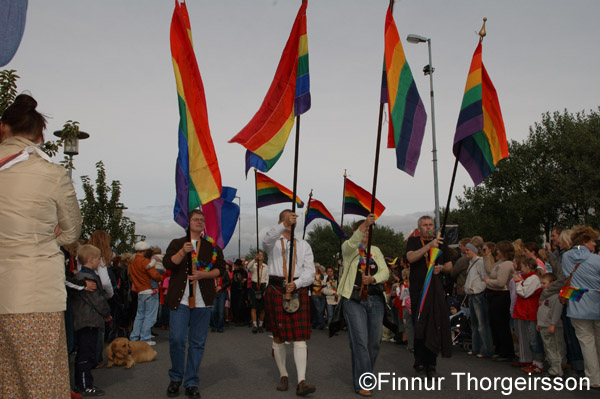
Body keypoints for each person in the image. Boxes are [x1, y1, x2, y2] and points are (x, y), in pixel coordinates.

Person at [0, 94, 82, 398]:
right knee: (42, 386)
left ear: (3, 128)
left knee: (8, 386)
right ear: (41, 136)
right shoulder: (53, 174)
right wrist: (51, 236)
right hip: (34, 297)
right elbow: (72, 232)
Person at [163, 210, 226, 398]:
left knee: (197, 343)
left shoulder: (212, 247)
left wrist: (203, 275)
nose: (199, 222)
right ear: (188, 222)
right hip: (180, 300)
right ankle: (175, 378)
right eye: (195, 219)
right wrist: (183, 251)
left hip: (203, 301)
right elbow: (169, 264)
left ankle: (191, 382)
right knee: (177, 339)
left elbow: (220, 270)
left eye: (201, 220)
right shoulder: (177, 243)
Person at [263, 210, 316, 396]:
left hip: (297, 288)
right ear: (281, 221)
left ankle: (302, 381)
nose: (292, 221)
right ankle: (283, 375)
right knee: (278, 335)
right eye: (288, 219)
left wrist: (298, 283)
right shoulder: (273, 243)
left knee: (299, 336)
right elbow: (267, 239)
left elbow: (310, 272)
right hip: (276, 289)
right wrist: (284, 224)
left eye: (294, 219)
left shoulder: (304, 245)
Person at [338, 215, 389, 397]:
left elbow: (385, 271)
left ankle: (364, 373)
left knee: (373, 342)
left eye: (368, 230)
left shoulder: (375, 250)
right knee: (360, 341)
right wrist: (366, 223)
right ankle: (364, 382)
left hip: (375, 299)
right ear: (355, 232)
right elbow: (352, 244)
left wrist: (374, 278)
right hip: (354, 299)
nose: (366, 233)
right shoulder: (349, 249)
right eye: (363, 230)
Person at [405, 216, 452, 379]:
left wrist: (440, 267)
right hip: (419, 289)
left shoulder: (441, 243)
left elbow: (449, 266)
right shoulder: (414, 242)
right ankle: (419, 363)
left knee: (434, 325)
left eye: (431, 224)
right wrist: (429, 247)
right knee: (420, 326)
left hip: (435, 289)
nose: (428, 227)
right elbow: (410, 258)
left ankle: (431, 364)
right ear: (420, 228)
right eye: (425, 225)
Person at [561, 226, 600, 389]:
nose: (594, 245)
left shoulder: (566, 257)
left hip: (577, 303)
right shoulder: (596, 259)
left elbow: (567, 277)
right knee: (597, 342)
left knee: (586, 343)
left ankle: (594, 378)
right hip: (596, 303)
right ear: (585, 241)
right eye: (592, 242)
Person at [71, 245, 112, 396]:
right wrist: (106, 313)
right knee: (86, 354)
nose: (100, 262)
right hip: (88, 320)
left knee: (84, 353)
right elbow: (97, 300)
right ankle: (84, 385)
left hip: (84, 319)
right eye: (99, 258)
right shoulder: (88, 278)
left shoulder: (81, 276)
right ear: (91, 259)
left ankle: (81, 383)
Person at [483, 240, 516, 362]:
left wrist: (487, 281)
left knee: (501, 324)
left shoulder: (506, 264)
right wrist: (487, 256)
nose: (497, 251)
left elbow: (501, 283)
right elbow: (489, 269)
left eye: (498, 250)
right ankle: (500, 349)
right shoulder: (500, 263)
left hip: (501, 295)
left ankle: (506, 351)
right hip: (494, 295)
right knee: (495, 323)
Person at [512, 256, 544, 373]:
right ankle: (533, 361)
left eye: (523, 266)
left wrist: (517, 282)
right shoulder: (529, 278)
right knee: (528, 338)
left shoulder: (533, 278)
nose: (521, 268)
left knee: (533, 339)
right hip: (525, 312)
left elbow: (524, 293)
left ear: (528, 266)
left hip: (530, 313)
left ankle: (538, 363)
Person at [128, 241, 162, 345]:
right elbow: (155, 275)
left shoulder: (132, 263)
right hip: (149, 290)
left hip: (140, 291)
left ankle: (134, 337)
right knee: (150, 316)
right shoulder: (146, 262)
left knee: (139, 315)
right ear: (145, 251)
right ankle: (145, 338)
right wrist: (160, 278)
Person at [463, 241, 493, 358]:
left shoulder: (479, 262)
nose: (466, 252)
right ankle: (476, 348)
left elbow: (484, 278)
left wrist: (476, 289)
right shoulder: (471, 262)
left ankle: (486, 349)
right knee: (475, 324)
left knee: (482, 323)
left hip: (478, 295)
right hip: (472, 295)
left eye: (468, 250)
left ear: (474, 251)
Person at [536, 272, 566, 377]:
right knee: (549, 348)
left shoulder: (556, 297)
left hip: (553, 326)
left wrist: (553, 324)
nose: (542, 285)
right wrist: (539, 323)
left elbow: (556, 312)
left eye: (544, 283)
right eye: (541, 283)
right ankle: (554, 367)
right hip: (544, 325)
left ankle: (557, 369)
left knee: (556, 348)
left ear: (552, 283)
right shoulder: (545, 297)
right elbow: (541, 311)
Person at [247, 251, 268, 333]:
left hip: (262, 286)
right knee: (253, 307)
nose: (260, 256)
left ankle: (261, 325)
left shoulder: (266, 267)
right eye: (258, 254)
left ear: (263, 257)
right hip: (254, 286)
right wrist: (254, 259)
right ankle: (255, 325)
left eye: (261, 255)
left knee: (262, 308)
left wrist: (265, 289)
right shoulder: (254, 265)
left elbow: (267, 278)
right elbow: (248, 267)